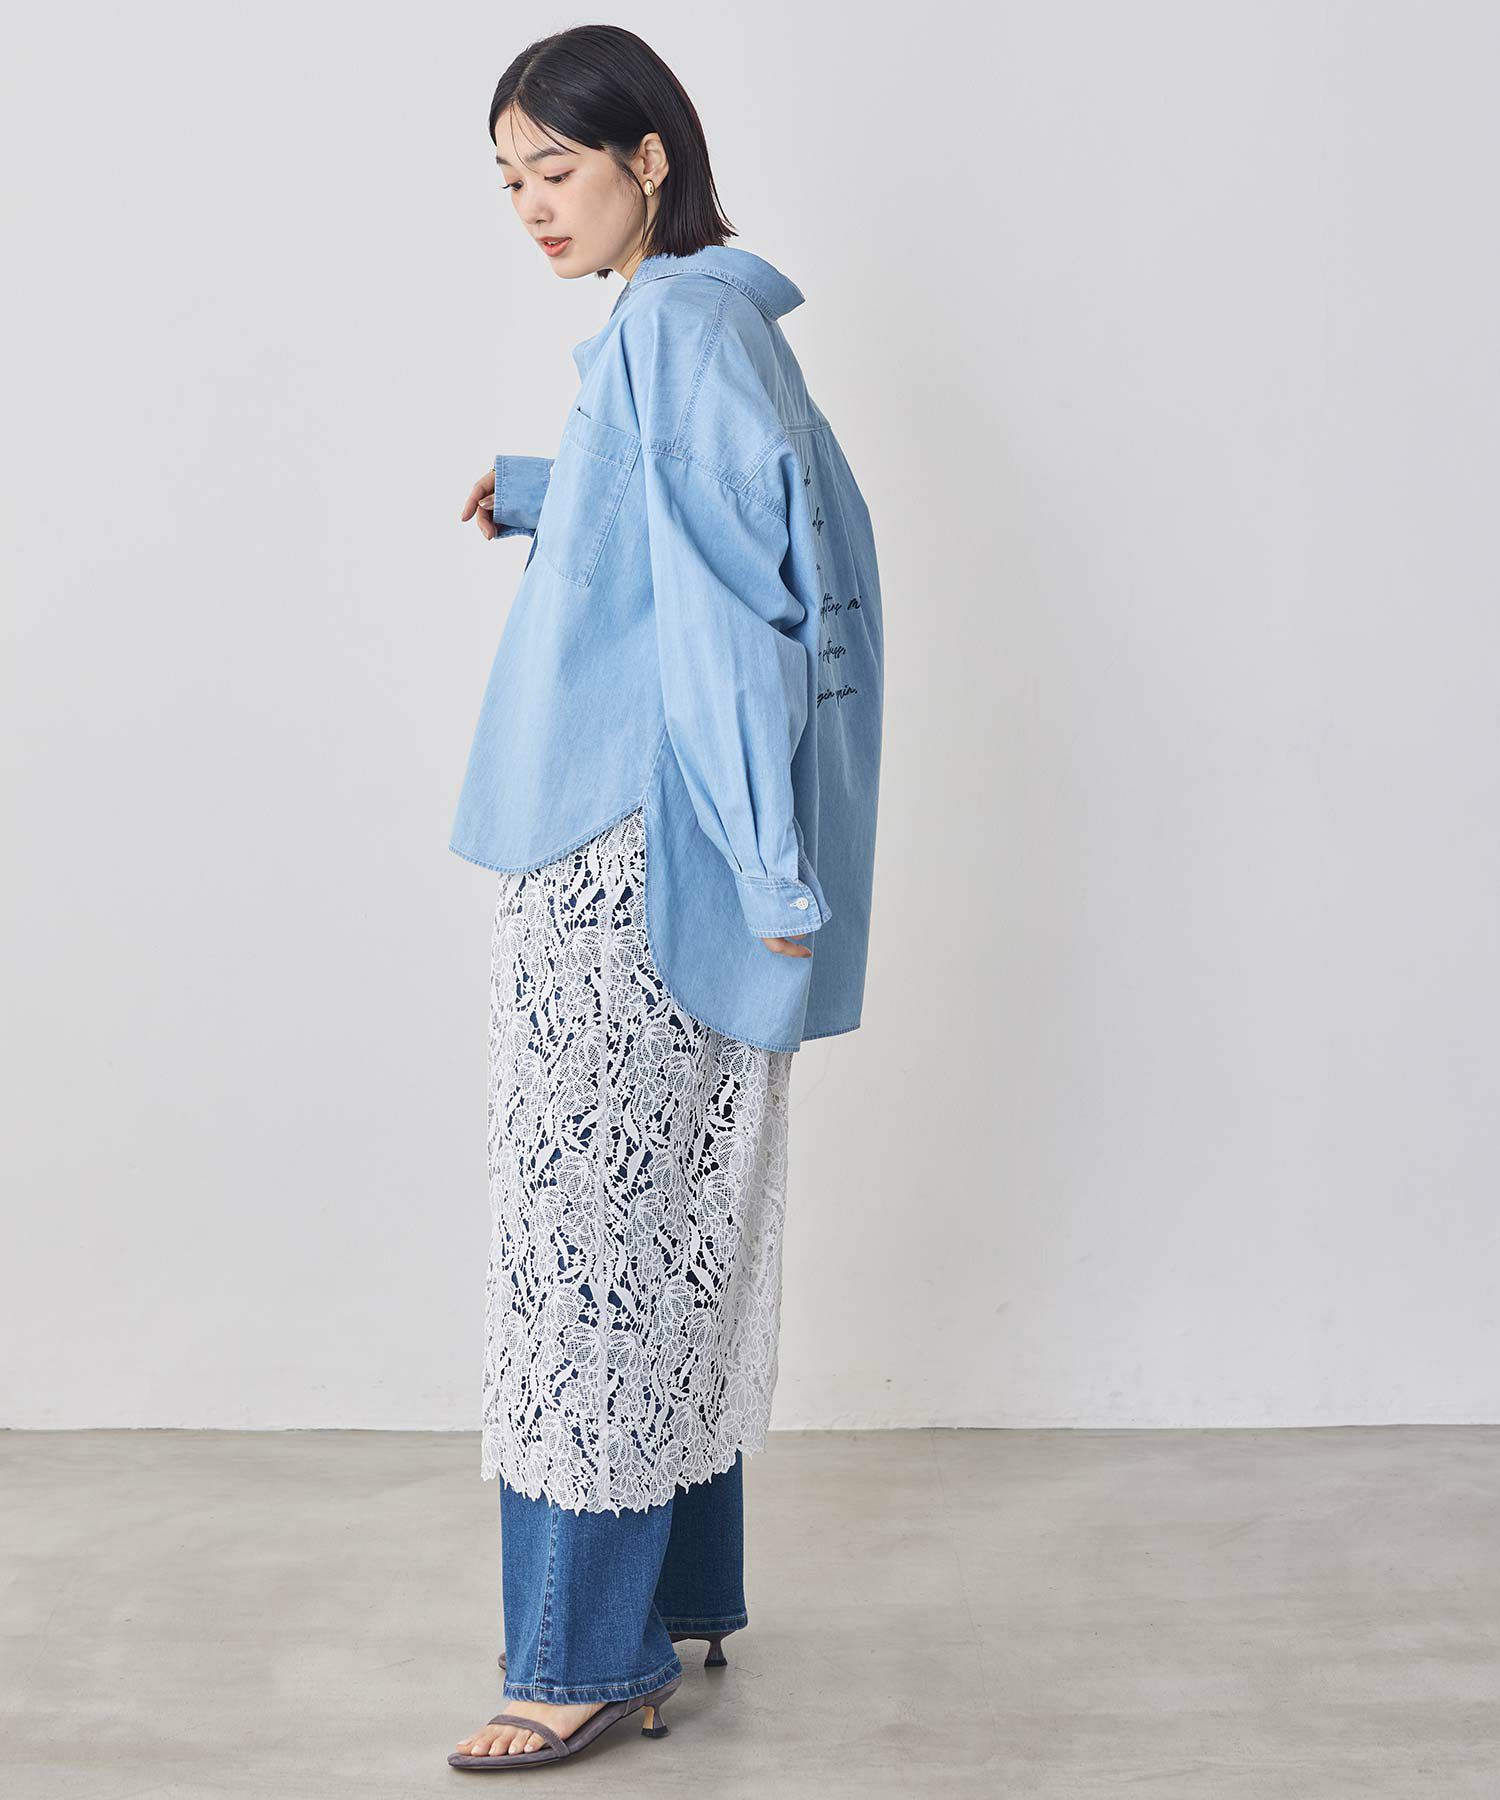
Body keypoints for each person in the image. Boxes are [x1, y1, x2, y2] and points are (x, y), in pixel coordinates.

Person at [447, 23, 883, 1772]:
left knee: (586, 1260)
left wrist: (774, 871)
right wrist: (547, 493)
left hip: (632, 854)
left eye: (557, 169)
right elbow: (716, 513)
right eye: (509, 181)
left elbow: (725, 625)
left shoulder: (673, 329)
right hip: (666, 837)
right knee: (669, 1232)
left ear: (649, 158)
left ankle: (581, 1658)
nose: (531, 208)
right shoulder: (705, 317)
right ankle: (678, 1602)